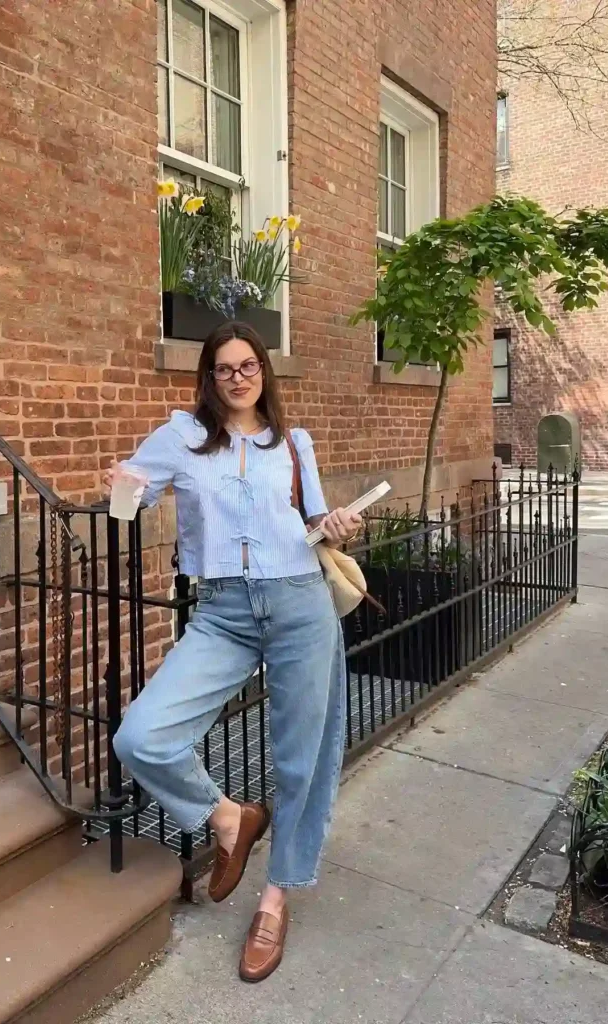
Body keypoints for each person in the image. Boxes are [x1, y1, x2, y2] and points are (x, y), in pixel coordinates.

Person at [106, 322, 360, 982]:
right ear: (209, 378)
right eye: (224, 368)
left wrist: (335, 524)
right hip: (222, 611)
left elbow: (316, 525)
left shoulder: (293, 443)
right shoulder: (182, 437)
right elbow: (127, 503)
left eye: (248, 366)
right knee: (142, 736)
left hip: (300, 603)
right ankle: (229, 818)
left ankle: (275, 898)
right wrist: (123, 484)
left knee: (301, 760)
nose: (238, 378)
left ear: (263, 372)